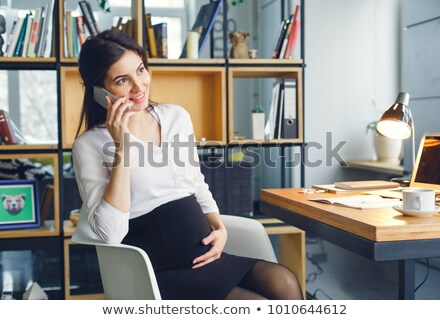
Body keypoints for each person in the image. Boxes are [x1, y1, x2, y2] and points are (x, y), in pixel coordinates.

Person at [71, 29, 303, 300]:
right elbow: (109, 233)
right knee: (257, 305)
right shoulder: (89, 145)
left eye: (141, 70)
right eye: (123, 80)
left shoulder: (175, 117)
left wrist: (218, 227)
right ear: (100, 90)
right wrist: (122, 146)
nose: (139, 86)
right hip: (155, 269)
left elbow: (195, 183)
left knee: (284, 281)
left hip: (205, 256)